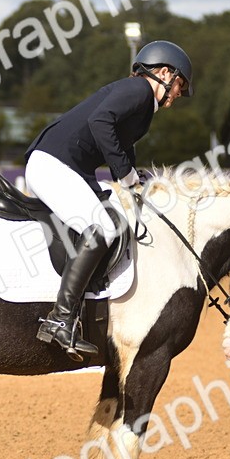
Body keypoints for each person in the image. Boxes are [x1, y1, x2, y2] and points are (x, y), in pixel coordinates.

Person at [25, 40, 193, 361]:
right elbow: (100, 123)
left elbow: (120, 139)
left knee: (111, 217)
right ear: (163, 72)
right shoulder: (140, 91)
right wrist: (124, 174)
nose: (177, 96)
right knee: (101, 225)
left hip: (64, 166)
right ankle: (61, 318)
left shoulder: (139, 102)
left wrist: (133, 176)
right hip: (53, 165)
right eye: (178, 86)